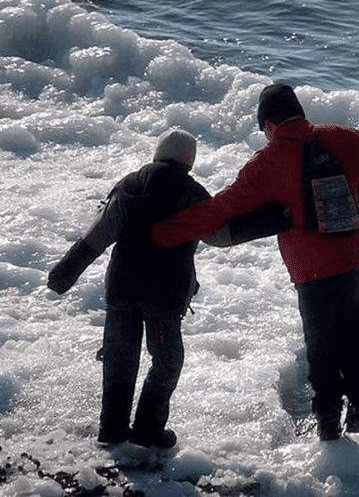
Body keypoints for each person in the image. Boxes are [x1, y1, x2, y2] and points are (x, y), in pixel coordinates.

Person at [151, 83, 359, 441]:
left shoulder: (267, 162)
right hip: (351, 257)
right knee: (356, 328)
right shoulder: (339, 139)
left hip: (310, 269)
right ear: (299, 112)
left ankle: (327, 417)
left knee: (321, 339)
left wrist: (165, 232)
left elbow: (222, 208)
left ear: (268, 124)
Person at [47, 129, 290, 448]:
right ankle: (148, 430)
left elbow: (96, 236)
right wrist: (277, 218)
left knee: (119, 357)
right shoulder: (192, 193)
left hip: (122, 289)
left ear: (158, 152)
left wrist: (64, 274)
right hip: (163, 298)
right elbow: (221, 235)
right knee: (167, 360)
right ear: (189, 161)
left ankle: (112, 430)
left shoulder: (129, 186)